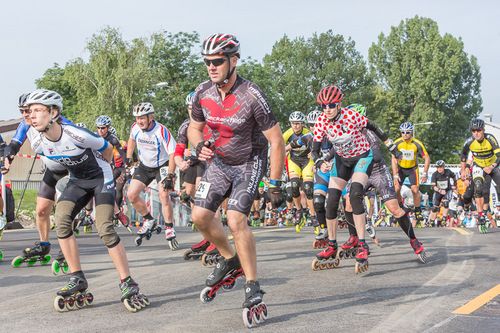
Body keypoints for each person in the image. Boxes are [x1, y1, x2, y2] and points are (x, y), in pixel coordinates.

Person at [187, 33, 284, 328]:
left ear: (234, 60)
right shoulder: (202, 92)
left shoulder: (252, 95)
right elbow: (194, 128)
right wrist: (197, 145)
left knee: (235, 219)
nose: (211, 67)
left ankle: (252, 284)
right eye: (207, 62)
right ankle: (231, 260)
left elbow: (277, 141)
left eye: (217, 61)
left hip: (248, 163)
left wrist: (276, 183)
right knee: (200, 216)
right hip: (218, 163)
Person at [26, 89, 148, 312]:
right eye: (29, 111)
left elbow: (107, 149)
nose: (31, 116)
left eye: (37, 110)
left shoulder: (75, 134)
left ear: (53, 112)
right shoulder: (36, 140)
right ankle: (77, 277)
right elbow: (55, 167)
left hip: (101, 178)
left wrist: (108, 175)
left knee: (104, 228)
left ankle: (127, 281)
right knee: (61, 220)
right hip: (78, 180)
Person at [311, 85, 401, 274]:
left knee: (355, 194)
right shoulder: (321, 121)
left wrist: (391, 145)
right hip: (342, 159)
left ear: (339, 104)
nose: (327, 109)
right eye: (323, 106)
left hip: (362, 156)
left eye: (331, 105)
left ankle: (361, 244)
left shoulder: (351, 116)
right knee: (331, 201)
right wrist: (319, 161)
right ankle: (332, 244)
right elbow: (315, 149)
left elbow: (374, 126)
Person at [3, 93, 72, 267]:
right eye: (22, 111)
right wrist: (7, 159)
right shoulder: (25, 125)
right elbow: (13, 145)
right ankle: (44, 245)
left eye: (29, 110)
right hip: (52, 170)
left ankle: (67, 248)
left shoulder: (61, 124)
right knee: (41, 211)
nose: (26, 114)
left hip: (71, 170)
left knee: (64, 212)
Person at [126, 102, 178, 249]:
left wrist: (170, 175)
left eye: (142, 118)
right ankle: (149, 220)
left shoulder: (161, 131)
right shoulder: (135, 128)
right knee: (131, 195)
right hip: (144, 166)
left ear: (151, 117)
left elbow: (173, 153)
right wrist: (129, 156)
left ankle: (169, 227)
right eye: (137, 118)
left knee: (164, 195)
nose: (139, 121)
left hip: (162, 165)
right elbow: (131, 140)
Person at [461, 118, 500, 233]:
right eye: (473, 131)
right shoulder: (469, 142)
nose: (476, 133)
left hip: (493, 166)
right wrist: (465, 169)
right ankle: (481, 215)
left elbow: (499, 156)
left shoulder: (490, 138)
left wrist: (492, 166)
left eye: (478, 130)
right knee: (478, 188)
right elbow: (463, 156)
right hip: (479, 166)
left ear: (483, 130)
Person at [392, 122, 431, 227]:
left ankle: (418, 210)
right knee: (396, 189)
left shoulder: (417, 143)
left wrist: (425, 173)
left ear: (411, 132)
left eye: (407, 132)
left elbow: (426, 158)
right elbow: (393, 159)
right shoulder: (397, 143)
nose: (405, 134)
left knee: (415, 190)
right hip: (400, 168)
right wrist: (395, 174)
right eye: (403, 132)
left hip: (412, 169)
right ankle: (400, 206)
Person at [283, 111, 316, 231]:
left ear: (302, 124)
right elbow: (279, 146)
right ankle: (298, 210)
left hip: (307, 161)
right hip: (294, 161)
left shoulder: (308, 132)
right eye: (293, 123)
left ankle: (313, 215)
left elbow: (317, 143)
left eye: (298, 123)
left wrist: (315, 152)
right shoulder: (287, 134)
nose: (295, 126)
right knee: (294, 185)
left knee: (308, 188)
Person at [95, 115, 129, 229]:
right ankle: (89, 212)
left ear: (108, 128)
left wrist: (126, 169)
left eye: (103, 128)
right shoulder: (94, 137)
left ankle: (117, 212)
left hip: (113, 167)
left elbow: (123, 154)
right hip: (99, 166)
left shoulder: (113, 139)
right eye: (98, 128)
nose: (100, 130)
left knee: (112, 189)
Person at [428, 160, 457, 227]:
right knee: (435, 208)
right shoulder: (434, 174)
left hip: (447, 190)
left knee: (446, 203)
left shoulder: (448, 171)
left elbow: (454, 176)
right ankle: (431, 221)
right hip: (438, 191)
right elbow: (433, 186)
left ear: (444, 167)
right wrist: (440, 190)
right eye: (438, 167)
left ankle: (444, 219)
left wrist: (455, 184)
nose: (439, 169)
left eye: (441, 167)